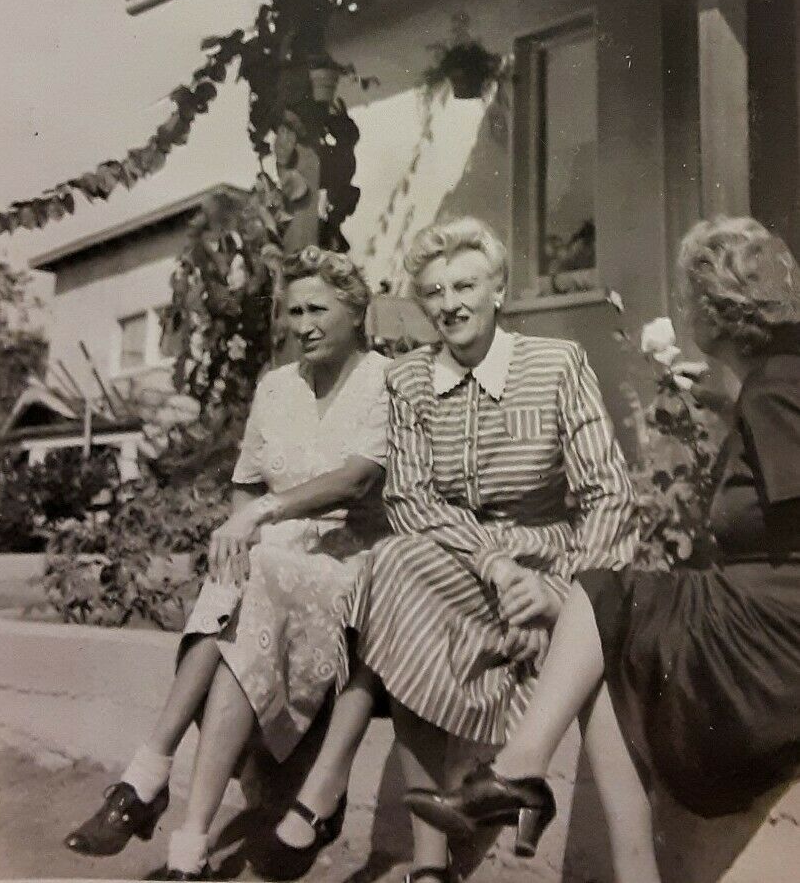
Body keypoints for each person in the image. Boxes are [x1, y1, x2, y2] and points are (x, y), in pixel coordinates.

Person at [405, 216, 800, 883]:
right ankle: (589, 834)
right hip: (770, 619)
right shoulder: (772, 380)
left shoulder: (779, 387)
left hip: (779, 636)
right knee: (606, 629)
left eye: (685, 299)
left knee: (601, 591)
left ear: (708, 307)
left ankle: (519, 772)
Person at [275, 216, 637, 883]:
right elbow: (410, 500)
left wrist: (556, 592)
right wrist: (493, 563)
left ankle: (435, 836)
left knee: (402, 583)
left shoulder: (555, 365)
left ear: (498, 289)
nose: (450, 303)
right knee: (393, 567)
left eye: (465, 284)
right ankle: (430, 865)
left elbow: (608, 495)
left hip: (549, 559)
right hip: (460, 563)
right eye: (435, 291)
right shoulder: (409, 381)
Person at [64, 246, 391, 880]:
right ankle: (183, 833)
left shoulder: (381, 378)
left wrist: (258, 519)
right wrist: (245, 527)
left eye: (318, 309)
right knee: (245, 581)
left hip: (352, 561)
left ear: (356, 313)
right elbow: (246, 481)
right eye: (294, 311)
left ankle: (151, 780)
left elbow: (355, 480)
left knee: (253, 574)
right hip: (273, 564)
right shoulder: (276, 387)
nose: (304, 324)